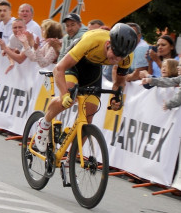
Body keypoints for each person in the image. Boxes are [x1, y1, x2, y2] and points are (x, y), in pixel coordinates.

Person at [30, 23, 137, 151]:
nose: (116, 59)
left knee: (88, 116)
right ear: (108, 44)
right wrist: (64, 95)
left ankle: (72, 158)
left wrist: (116, 98)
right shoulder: (93, 41)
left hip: (93, 69)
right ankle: (45, 123)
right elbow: (59, 68)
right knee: (68, 100)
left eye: (121, 57)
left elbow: (119, 83)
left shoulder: (127, 57)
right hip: (74, 64)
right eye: (115, 53)